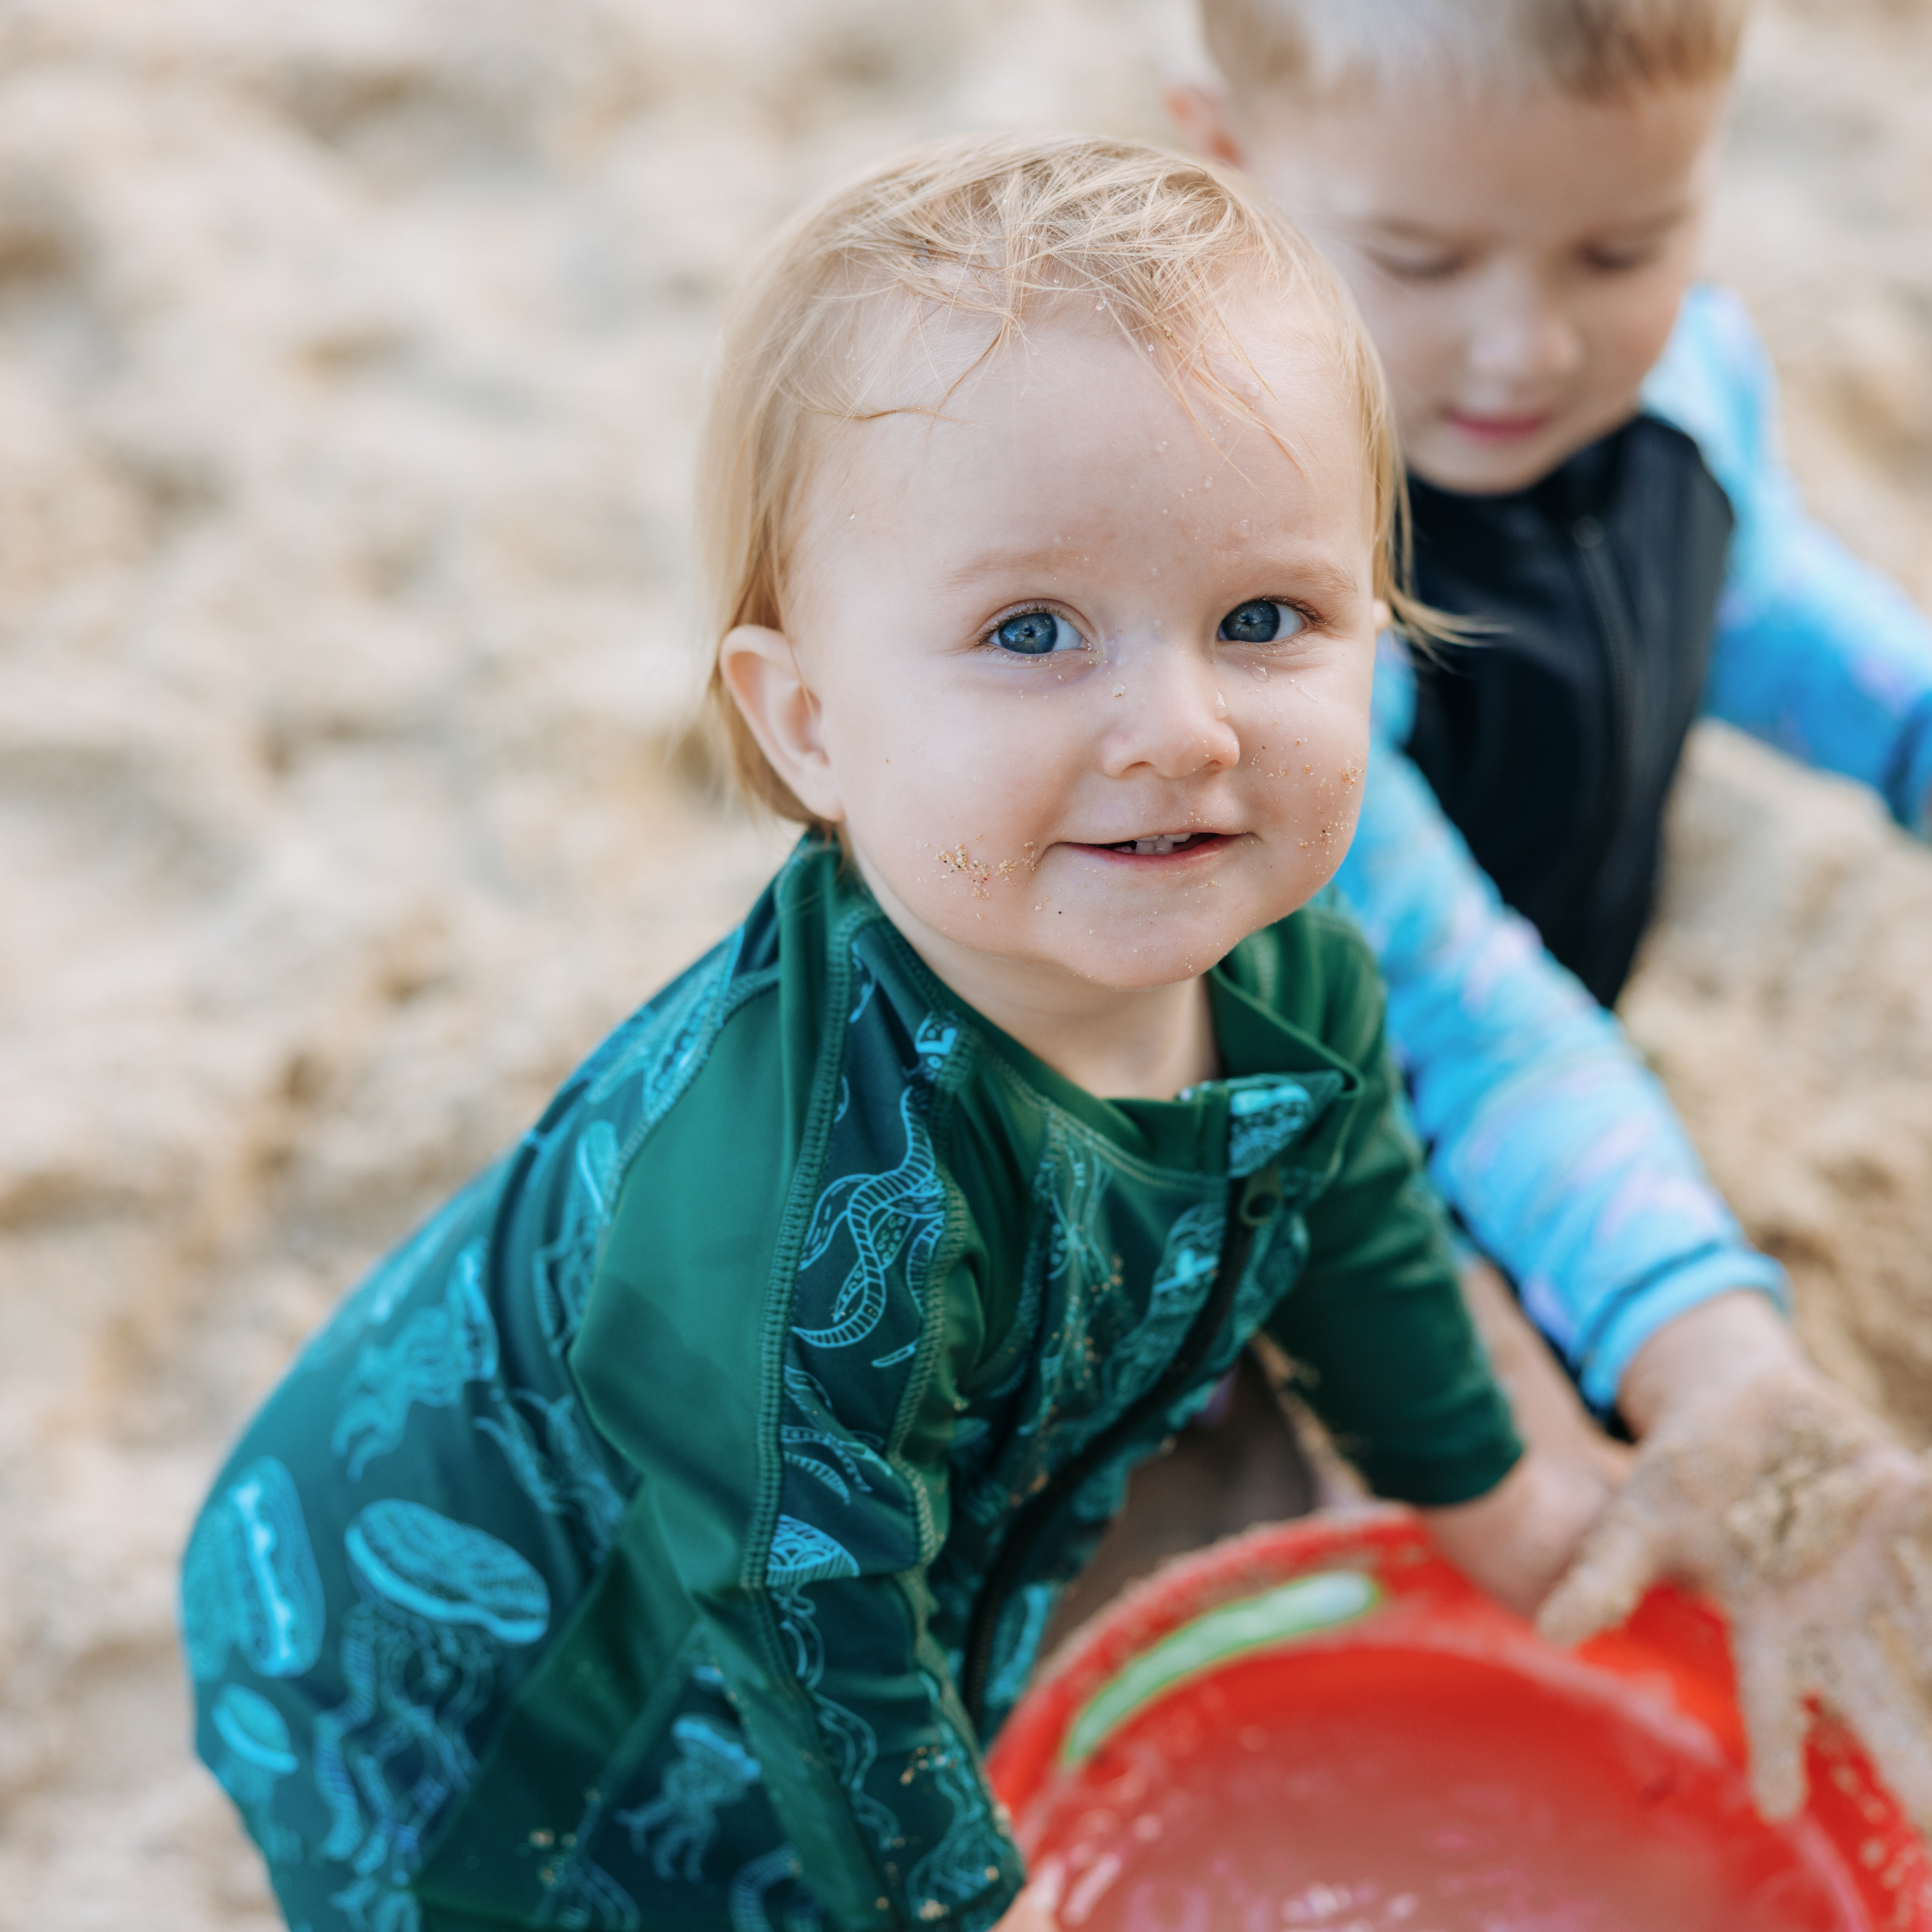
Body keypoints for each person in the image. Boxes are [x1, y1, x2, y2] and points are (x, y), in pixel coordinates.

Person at [179, 133, 1606, 1932]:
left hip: (837, 1557)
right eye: (1033, 631)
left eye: (1266, 618)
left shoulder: (1293, 982)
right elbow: (816, 1631)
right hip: (494, 1677)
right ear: (808, 727)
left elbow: (1359, 1248)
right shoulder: (804, 1206)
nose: (1178, 726)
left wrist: (1500, 1516)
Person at [1166, 0, 1932, 1833]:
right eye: (1421, 260)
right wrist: (1709, 1341)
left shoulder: (1677, 380)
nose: (1531, 342)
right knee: (1475, 1530)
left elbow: (1760, 608)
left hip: (1538, 1044)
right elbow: (1465, 1024)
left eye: (1627, 243)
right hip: (1310, 1134)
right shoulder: (1260, 584)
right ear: (1230, 165)